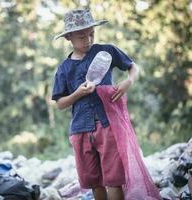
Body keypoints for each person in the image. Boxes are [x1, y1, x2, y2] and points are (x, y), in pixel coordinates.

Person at [52, 8, 161, 200]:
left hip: (107, 125)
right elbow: (60, 103)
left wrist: (129, 81)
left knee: (113, 178)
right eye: (81, 36)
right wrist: (78, 93)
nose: (88, 40)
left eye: (91, 34)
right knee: (94, 181)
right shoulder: (64, 68)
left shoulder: (105, 51)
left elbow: (133, 67)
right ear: (69, 37)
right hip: (80, 130)